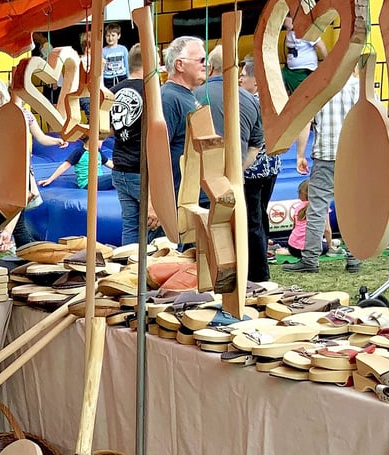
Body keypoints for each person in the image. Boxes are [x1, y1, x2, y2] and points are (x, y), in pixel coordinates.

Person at [192, 46, 270, 281]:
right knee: (243, 227)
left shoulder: (196, 95)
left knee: (204, 232)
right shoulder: (249, 100)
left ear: (211, 67)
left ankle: (204, 278)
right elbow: (257, 146)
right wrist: (235, 172)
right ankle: (254, 277)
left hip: (200, 180)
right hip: (233, 181)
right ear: (235, 71)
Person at [285, 68, 360, 273]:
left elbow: (305, 122)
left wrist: (300, 154)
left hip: (325, 154)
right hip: (352, 156)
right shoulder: (359, 87)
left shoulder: (319, 89)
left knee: (317, 208)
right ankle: (354, 258)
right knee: (351, 208)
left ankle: (310, 259)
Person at [106, 43, 158, 245]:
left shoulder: (113, 91)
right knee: (154, 226)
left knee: (130, 225)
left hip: (120, 167)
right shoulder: (152, 92)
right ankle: (147, 272)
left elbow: (108, 129)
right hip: (141, 170)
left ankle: (129, 267)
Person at [239, 59, 283, 282]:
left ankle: (258, 272)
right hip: (271, 167)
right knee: (260, 218)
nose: (239, 79)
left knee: (252, 222)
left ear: (255, 81)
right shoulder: (273, 100)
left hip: (252, 170)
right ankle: (261, 263)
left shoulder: (248, 103)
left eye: (243, 76)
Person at [161, 36, 206, 192]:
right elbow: (157, 153)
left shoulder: (186, 95)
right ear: (180, 65)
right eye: (201, 60)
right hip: (180, 197)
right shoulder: (168, 98)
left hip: (193, 193)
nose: (205, 64)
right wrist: (154, 202)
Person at [282, 12, 327, 94]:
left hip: (305, 70)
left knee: (301, 94)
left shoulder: (307, 30)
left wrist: (327, 64)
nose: (287, 27)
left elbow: (321, 46)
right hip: (290, 69)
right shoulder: (289, 32)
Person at [287, 179, 331, 260]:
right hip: (309, 249)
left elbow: (295, 228)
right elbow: (327, 230)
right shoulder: (322, 207)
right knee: (325, 245)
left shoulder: (298, 208)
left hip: (292, 248)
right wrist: (330, 246)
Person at [102, 23, 129, 89]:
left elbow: (127, 64)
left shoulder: (123, 49)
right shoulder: (103, 51)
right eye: (108, 35)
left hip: (122, 77)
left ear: (118, 36)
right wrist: (102, 83)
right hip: (108, 79)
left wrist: (129, 78)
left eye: (113, 35)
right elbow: (101, 68)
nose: (110, 38)